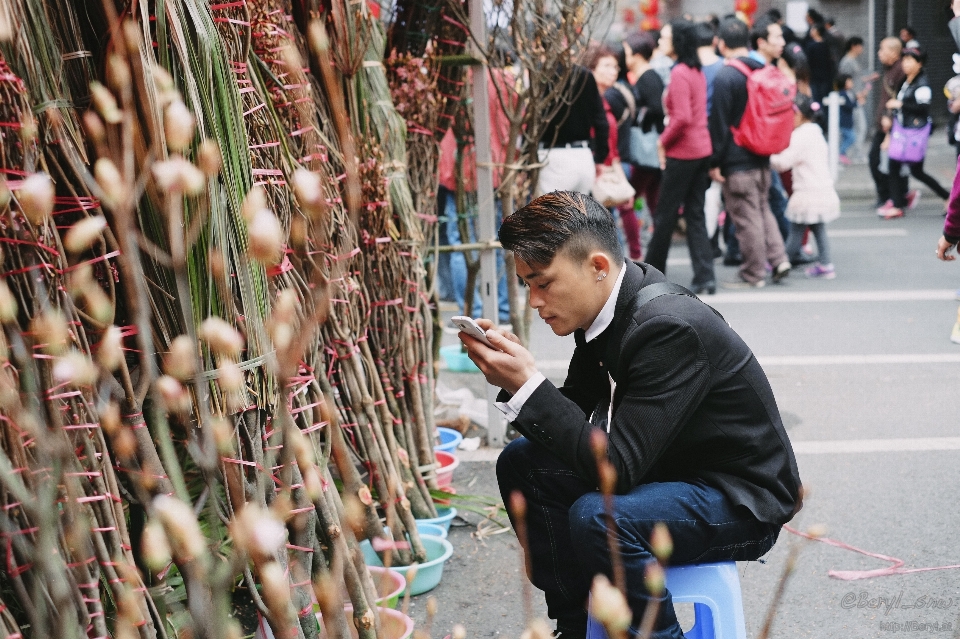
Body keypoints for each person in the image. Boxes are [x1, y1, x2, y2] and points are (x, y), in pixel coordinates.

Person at [458, 190, 802, 639]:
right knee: (524, 462)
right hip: (675, 467)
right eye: (527, 285)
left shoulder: (666, 327)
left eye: (543, 283)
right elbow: (577, 415)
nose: (534, 302)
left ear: (597, 266)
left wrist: (527, 385)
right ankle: (576, 624)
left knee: (599, 517)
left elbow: (615, 469)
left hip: (740, 497)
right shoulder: (608, 309)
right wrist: (516, 381)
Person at [709, 16, 791, 288]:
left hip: (736, 161)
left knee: (746, 219)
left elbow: (719, 123)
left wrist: (715, 162)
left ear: (721, 43)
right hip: (762, 155)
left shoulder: (725, 76)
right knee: (764, 210)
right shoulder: (762, 68)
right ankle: (779, 259)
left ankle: (753, 273)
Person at [646, 19, 715, 294]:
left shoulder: (679, 73)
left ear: (678, 41)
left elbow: (681, 117)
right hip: (702, 150)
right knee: (695, 214)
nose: (661, 42)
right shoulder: (695, 70)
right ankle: (706, 276)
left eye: (664, 37)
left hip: (683, 152)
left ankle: (650, 276)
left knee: (665, 215)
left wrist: (662, 143)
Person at [771, 94, 840, 279]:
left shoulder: (801, 135)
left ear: (800, 115)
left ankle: (781, 261)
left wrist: (766, 157)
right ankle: (824, 264)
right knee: (812, 228)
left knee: (797, 229)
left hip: (808, 191)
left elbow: (784, 162)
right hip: (819, 188)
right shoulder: (815, 131)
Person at [879, 47, 951, 220]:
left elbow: (923, 108)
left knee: (915, 170)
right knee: (896, 166)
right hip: (902, 131)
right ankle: (898, 204)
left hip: (914, 133)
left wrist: (900, 105)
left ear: (920, 64)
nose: (906, 64)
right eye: (904, 60)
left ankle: (947, 197)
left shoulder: (922, 83)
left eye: (910, 60)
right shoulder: (906, 80)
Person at [619, 31, 665, 251]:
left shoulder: (647, 77)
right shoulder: (649, 76)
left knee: (626, 199)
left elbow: (657, 108)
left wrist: (642, 121)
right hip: (652, 152)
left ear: (636, 54)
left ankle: (636, 252)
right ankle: (656, 252)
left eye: (627, 51)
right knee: (655, 203)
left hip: (646, 151)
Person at [537, 64, 609, 196]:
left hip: (552, 158)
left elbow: (532, 124)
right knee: (579, 215)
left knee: (553, 215)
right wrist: (600, 158)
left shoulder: (541, 73)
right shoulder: (586, 75)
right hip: (583, 156)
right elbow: (601, 122)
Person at [868, 37, 906, 209]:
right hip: (883, 124)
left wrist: (888, 117)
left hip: (891, 125)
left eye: (882, 49)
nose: (879, 53)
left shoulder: (900, 70)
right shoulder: (889, 68)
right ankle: (889, 195)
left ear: (893, 52)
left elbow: (898, 98)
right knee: (880, 160)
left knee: (883, 161)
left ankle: (892, 196)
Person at [838, 36, 876, 162]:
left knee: (857, 129)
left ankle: (851, 153)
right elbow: (845, 81)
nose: (862, 49)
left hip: (855, 98)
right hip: (853, 99)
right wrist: (857, 95)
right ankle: (854, 153)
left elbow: (855, 79)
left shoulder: (851, 61)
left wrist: (868, 79)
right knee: (859, 128)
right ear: (854, 46)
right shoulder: (847, 61)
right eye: (860, 46)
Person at [804, 21, 835, 103]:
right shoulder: (827, 44)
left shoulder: (810, 45)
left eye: (812, 29)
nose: (811, 31)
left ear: (817, 31)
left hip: (814, 77)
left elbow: (807, 62)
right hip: (825, 77)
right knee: (824, 100)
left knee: (816, 100)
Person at [836, 74, 858, 163]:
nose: (851, 83)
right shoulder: (842, 94)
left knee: (847, 138)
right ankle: (841, 153)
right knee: (851, 137)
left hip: (847, 121)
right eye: (849, 81)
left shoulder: (848, 93)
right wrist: (857, 103)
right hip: (844, 121)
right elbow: (848, 106)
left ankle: (842, 154)